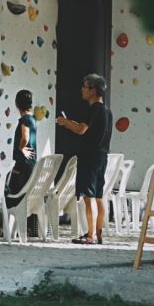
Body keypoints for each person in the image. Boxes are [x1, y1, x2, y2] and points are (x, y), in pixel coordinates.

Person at [57, 73, 113, 245]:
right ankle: (98, 233)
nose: (82, 90)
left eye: (85, 87)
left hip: (90, 156)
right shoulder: (107, 111)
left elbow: (82, 129)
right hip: (102, 156)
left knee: (89, 198)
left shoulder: (94, 108)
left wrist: (66, 123)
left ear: (93, 90)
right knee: (98, 196)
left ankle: (90, 235)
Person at [7, 89, 37, 208]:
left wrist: (21, 148)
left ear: (16, 103)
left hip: (23, 165)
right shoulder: (32, 119)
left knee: (13, 196)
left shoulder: (25, 120)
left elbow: (25, 137)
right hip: (29, 164)